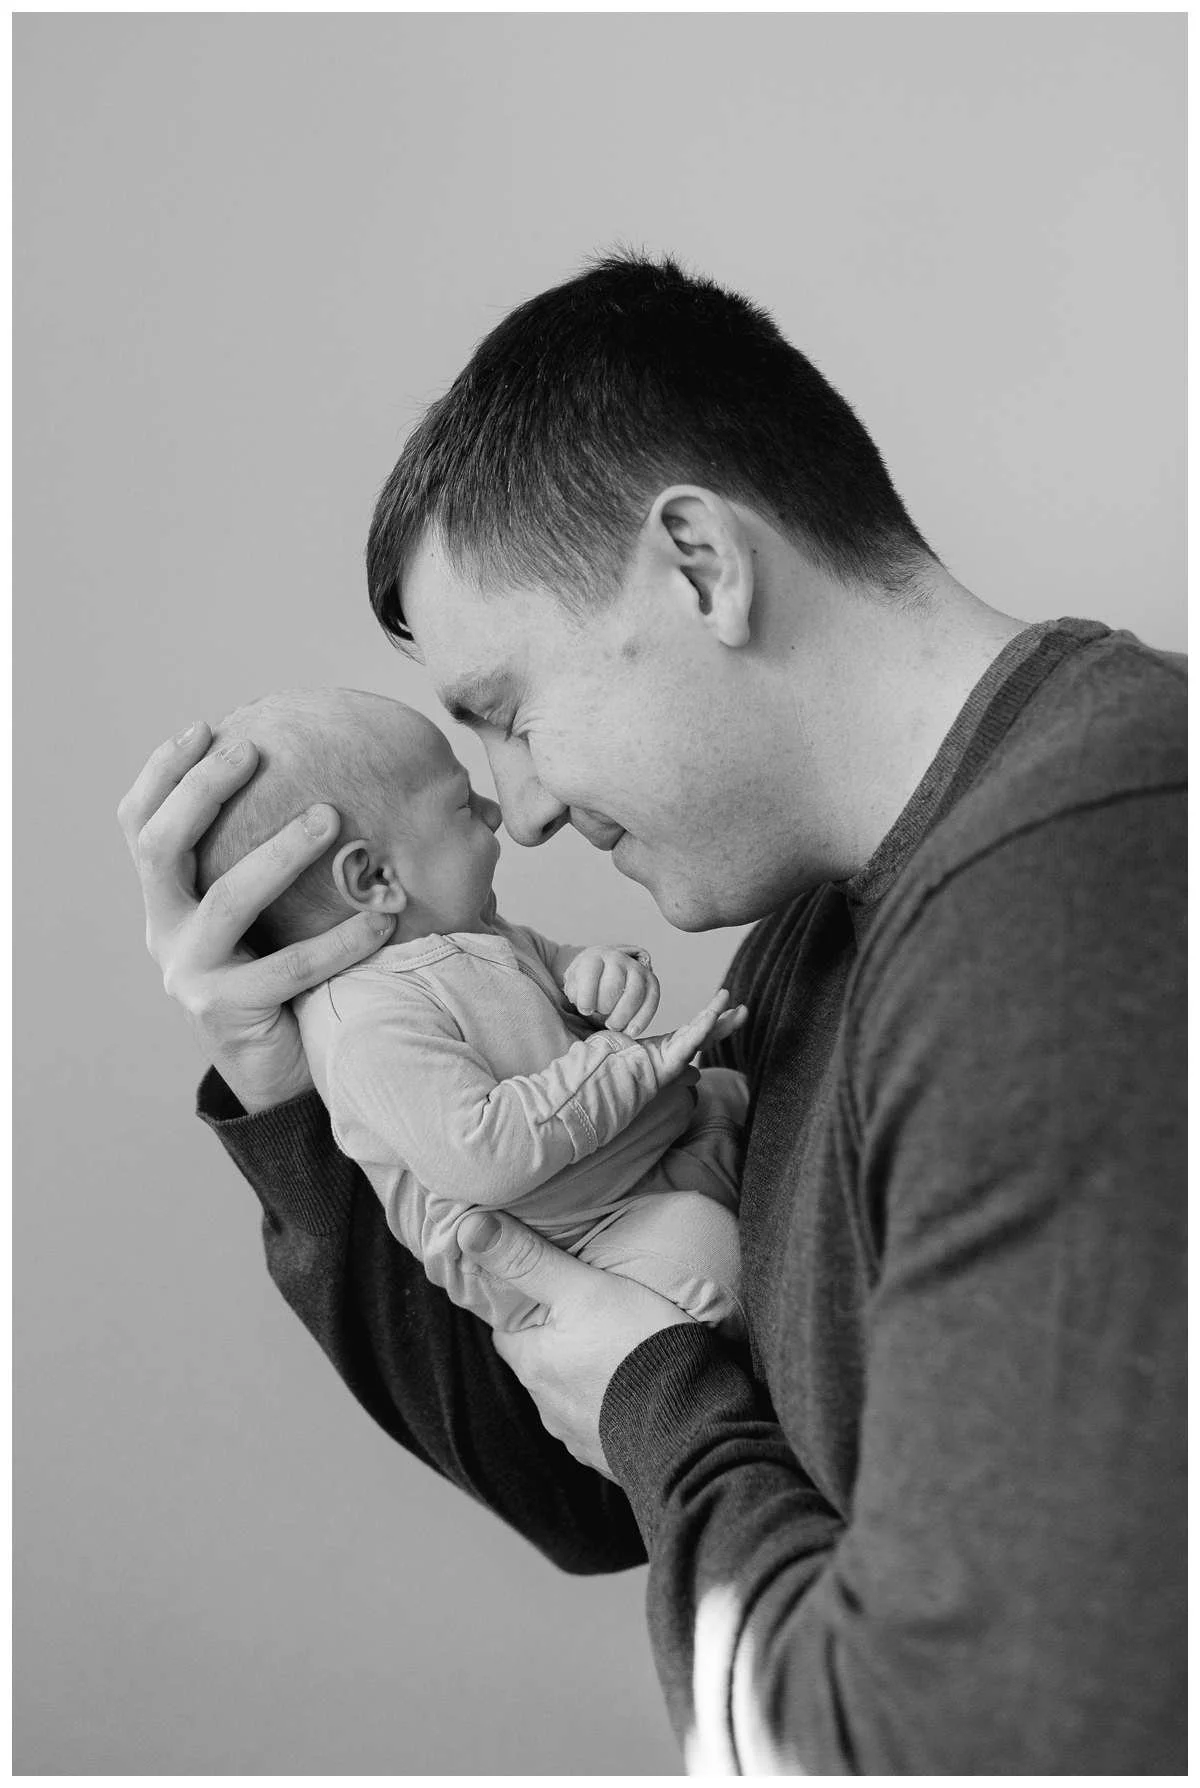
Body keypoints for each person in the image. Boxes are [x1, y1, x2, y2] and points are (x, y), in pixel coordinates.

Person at [117, 252, 1186, 1772]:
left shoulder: (1084, 896)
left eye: (508, 713)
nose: (523, 812)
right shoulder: (828, 929)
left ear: (699, 564)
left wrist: (653, 1390)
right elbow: (598, 1478)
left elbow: (928, 1749)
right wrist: (292, 1080)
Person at [195, 685, 749, 1336]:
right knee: (708, 1254)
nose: (495, 812)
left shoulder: (476, 932)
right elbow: (484, 1156)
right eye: (462, 804)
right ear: (373, 879)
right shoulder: (364, 1027)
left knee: (740, 1092)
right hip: (575, 1236)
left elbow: (557, 966)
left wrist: (600, 972)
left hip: (638, 1152)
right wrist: (634, 1062)